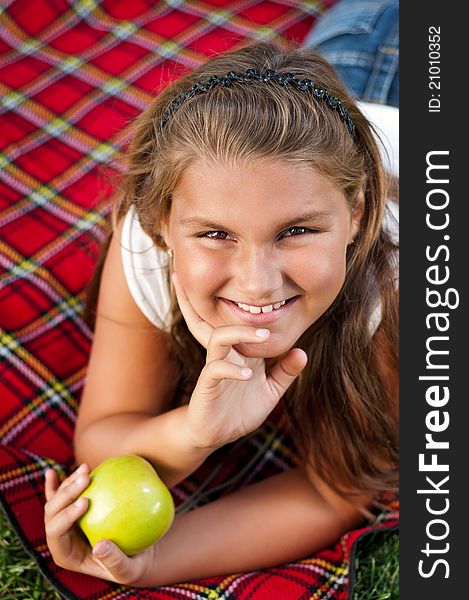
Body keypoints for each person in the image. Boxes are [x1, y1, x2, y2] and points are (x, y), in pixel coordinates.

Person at [43, 38, 399, 587]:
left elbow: (339, 489)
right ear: (162, 224)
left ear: (355, 215)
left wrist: (163, 559)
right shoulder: (146, 242)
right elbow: (102, 436)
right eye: (215, 234)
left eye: (297, 231)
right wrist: (194, 432)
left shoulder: (397, 287)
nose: (257, 283)